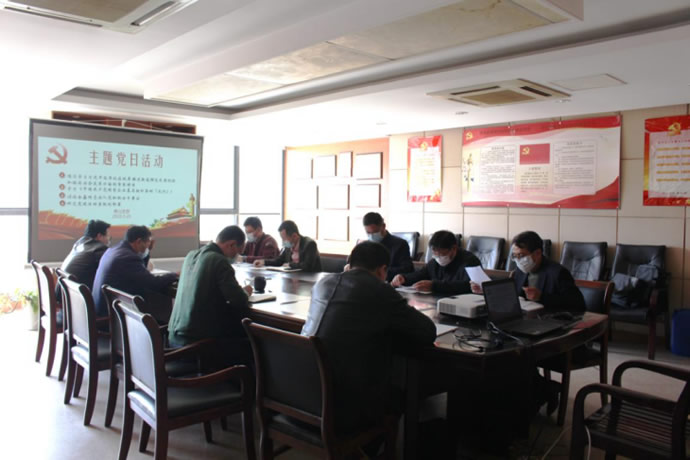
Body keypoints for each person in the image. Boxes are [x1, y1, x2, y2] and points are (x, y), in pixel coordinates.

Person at [301, 241, 436, 434]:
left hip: (300, 394)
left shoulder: (322, 283)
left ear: (350, 264)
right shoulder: (380, 290)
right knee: (401, 392)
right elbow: (427, 331)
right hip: (340, 408)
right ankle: (368, 446)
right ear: (382, 270)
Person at [168, 225, 254, 368]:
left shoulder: (191, 255)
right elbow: (239, 300)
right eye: (238, 252)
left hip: (174, 339)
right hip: (196, 343)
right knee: (252, 344)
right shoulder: (219, 261)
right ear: (231, 244)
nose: (236, 257)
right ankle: (243, 381)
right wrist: (246, 291)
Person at [471, 231, 585, 313]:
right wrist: (485, 291)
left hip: (549, 321)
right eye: (515, 256)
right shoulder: (520, 271)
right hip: (524, 319)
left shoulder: (558, 273)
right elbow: (511, 296)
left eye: (521, 255)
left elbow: (578, 304)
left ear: (538, 253)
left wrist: (542, 297)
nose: (518, 260)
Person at [92, 225, 178, 321]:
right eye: (148, 242)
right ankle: (164, 327)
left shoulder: (113, 250)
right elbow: (153, 283)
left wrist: (148, 251)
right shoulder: (127, 257)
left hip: (104, 308)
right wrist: (175, 275)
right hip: (111, 314)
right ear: (139, 241)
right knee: (159, 300)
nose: (148, 246)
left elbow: (142, 272)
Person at [391, 230, 480, 295]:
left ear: (454, 248)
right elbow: (420, 274)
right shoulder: (434, 262)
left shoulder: (470, 261)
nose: (438, 258)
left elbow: (467, 286)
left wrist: (434, 285)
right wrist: (404, 278)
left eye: (442, 254)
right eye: (435, 255)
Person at [59, 219, 111, 292]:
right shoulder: (98, 249)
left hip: (64, 292)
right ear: (99, 236)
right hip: (75, 294)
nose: (109, 240)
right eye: (108, 236)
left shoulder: (79, 244)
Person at [361, 212, 414, 281]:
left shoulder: (400, 244)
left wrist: (380, 272)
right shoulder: (364, 246)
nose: (371, 236)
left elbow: (407, 269)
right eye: (368, 233)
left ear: (383, 226)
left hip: (390, 282)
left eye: (375, 232)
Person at [254, 220, 322, 272]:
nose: (283, 241)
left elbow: (307, 266)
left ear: (294, 236)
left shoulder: (309, 244)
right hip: (294, 277)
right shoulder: (289, 246)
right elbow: (279, 261)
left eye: (284, 239)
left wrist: (290, 265)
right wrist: (264, 262)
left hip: (309, 279)